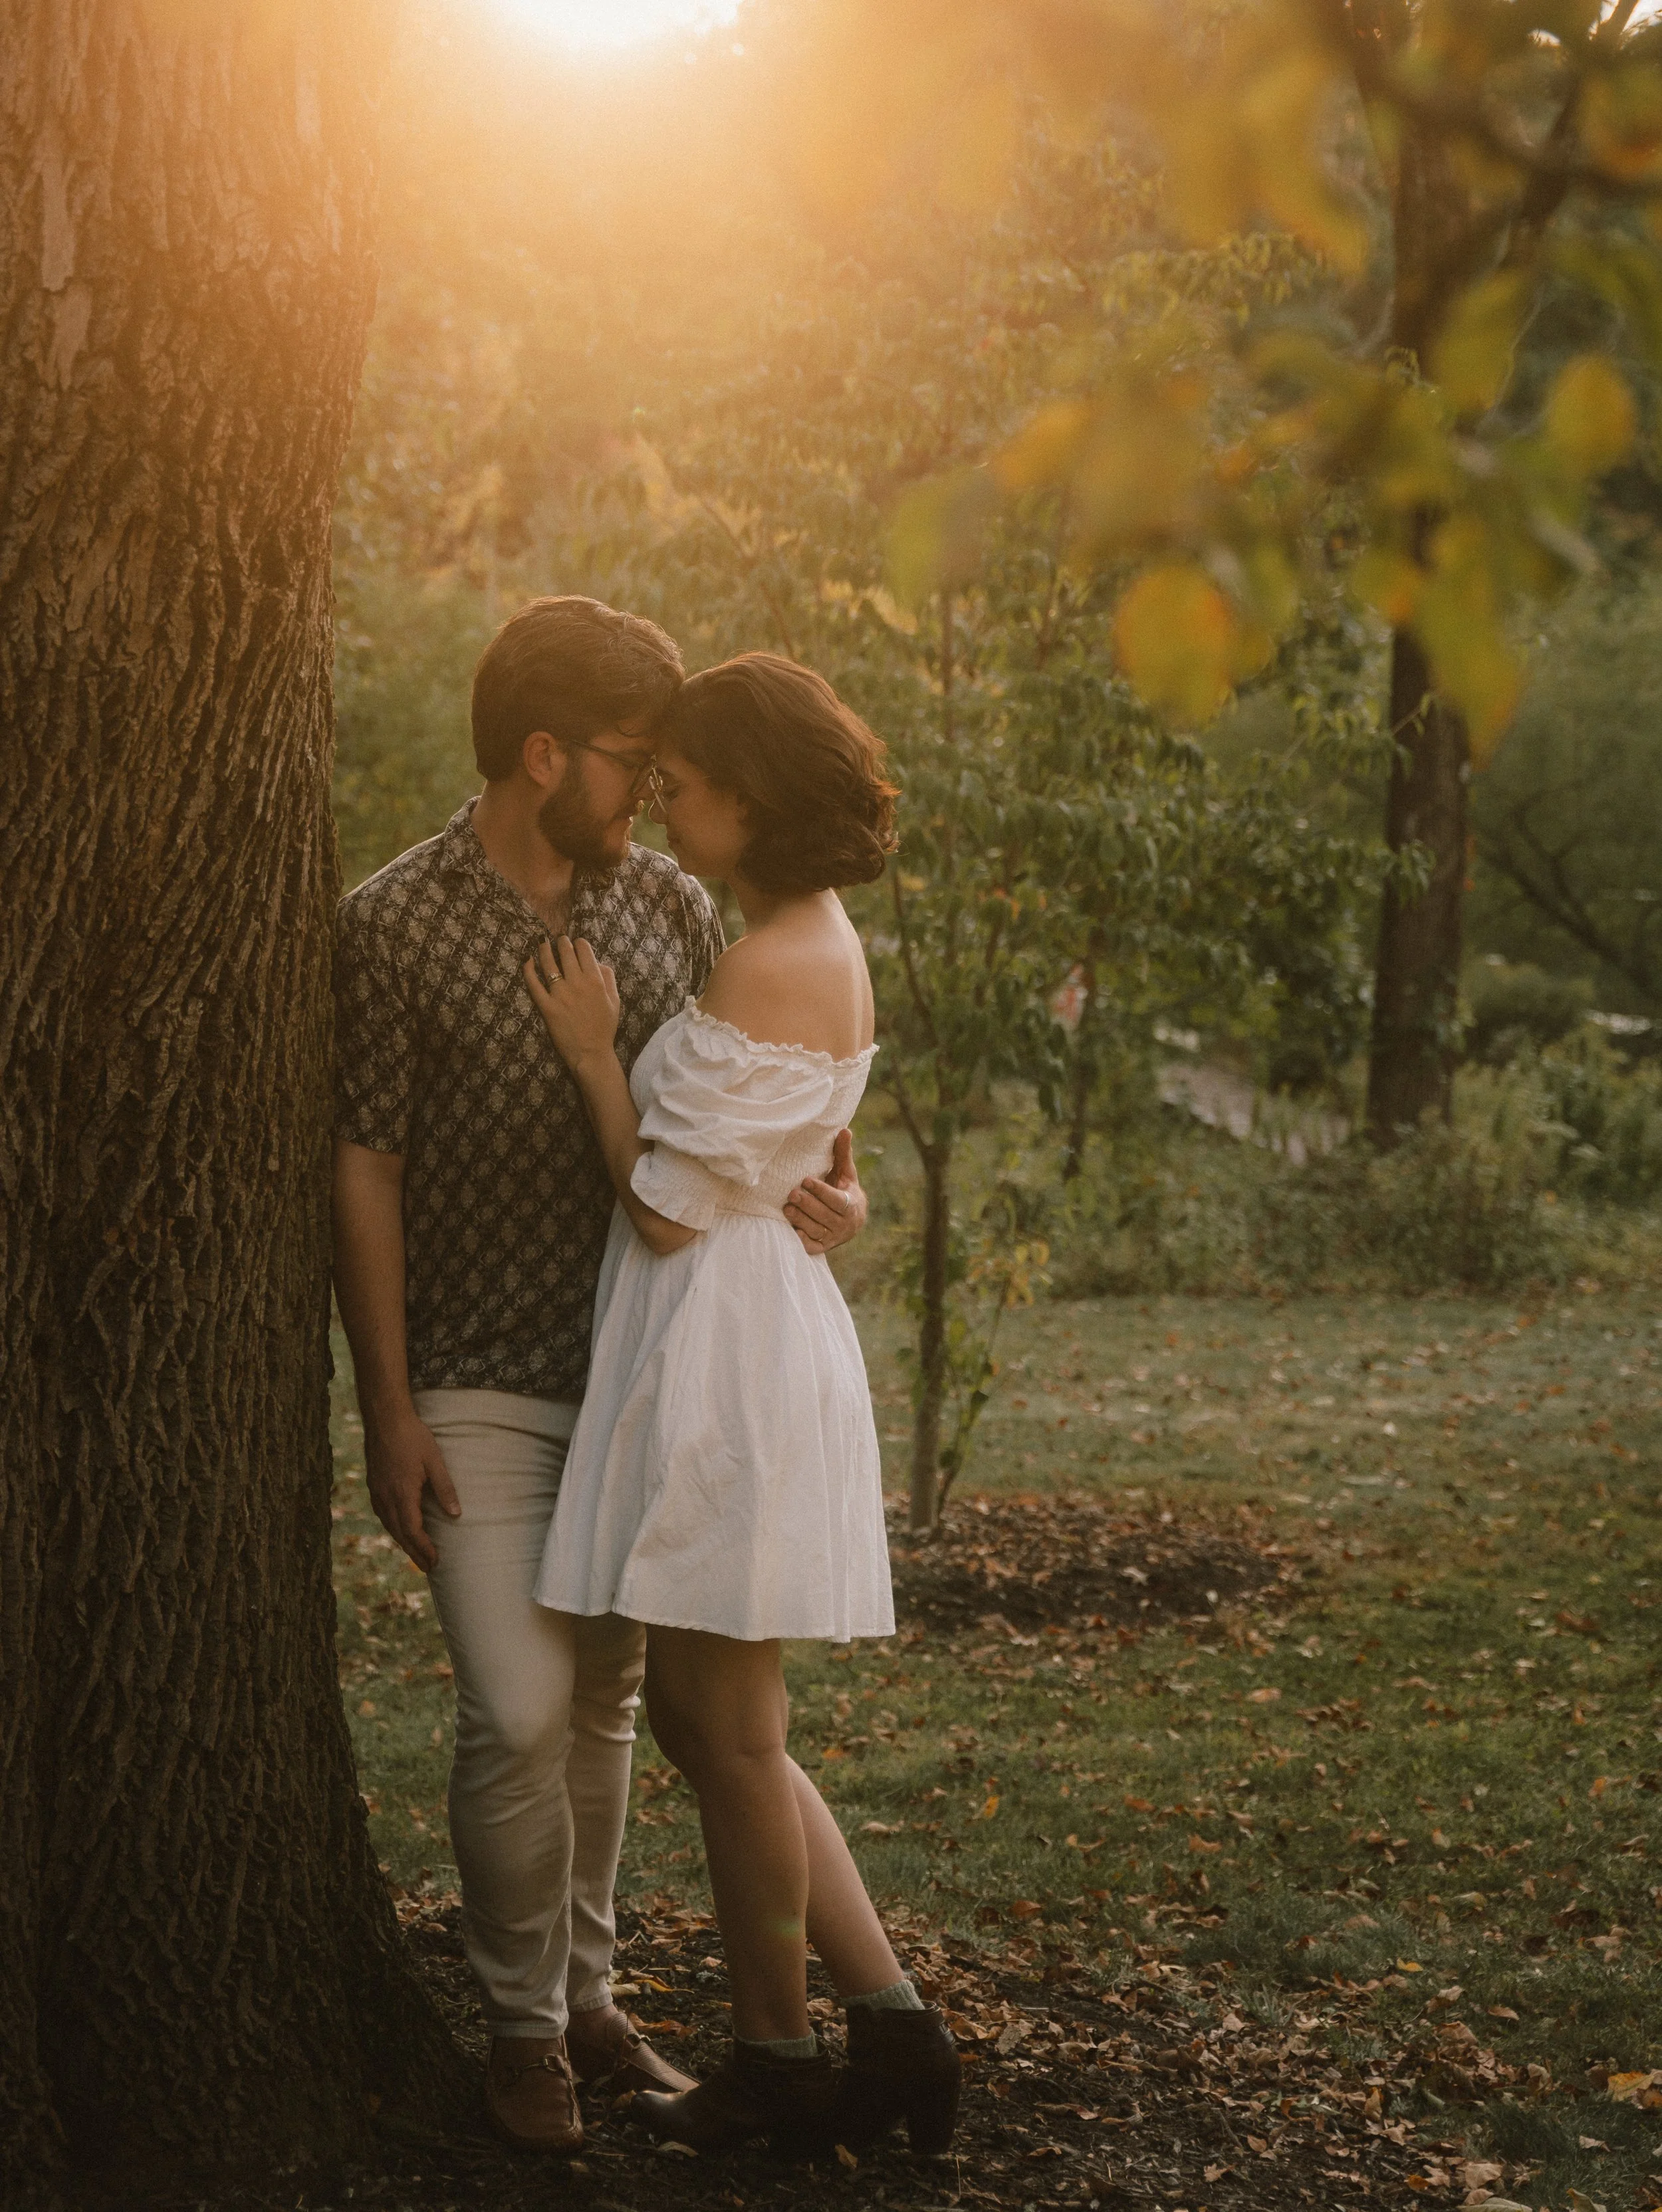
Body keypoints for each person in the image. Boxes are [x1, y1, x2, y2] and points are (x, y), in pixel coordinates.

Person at [330, 600, 868, 2157]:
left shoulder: (669, 904)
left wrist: (833, 1195)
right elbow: (362, 1161)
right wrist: (386, 1400)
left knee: (609, 1707)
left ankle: (581, 1995)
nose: (652, 790)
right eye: (635, 761)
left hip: (655, 1376)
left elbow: (769, 1119)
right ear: (544, 753)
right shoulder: (395, 922)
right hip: (484, 1375)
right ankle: (515, 2027)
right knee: (515, 1705)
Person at [522, 652, 961, 2157]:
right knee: (727, 1731)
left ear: (751, 796)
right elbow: (780, 1158)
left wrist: (592, 1056)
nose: (664, 807)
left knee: (727, 1729)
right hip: (741, 1323)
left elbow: (659, 1205)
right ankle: (890, 2024)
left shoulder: (771, 953)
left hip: (722, 1349)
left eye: (685, 787)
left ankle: (779, 2055)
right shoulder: (806, 934)